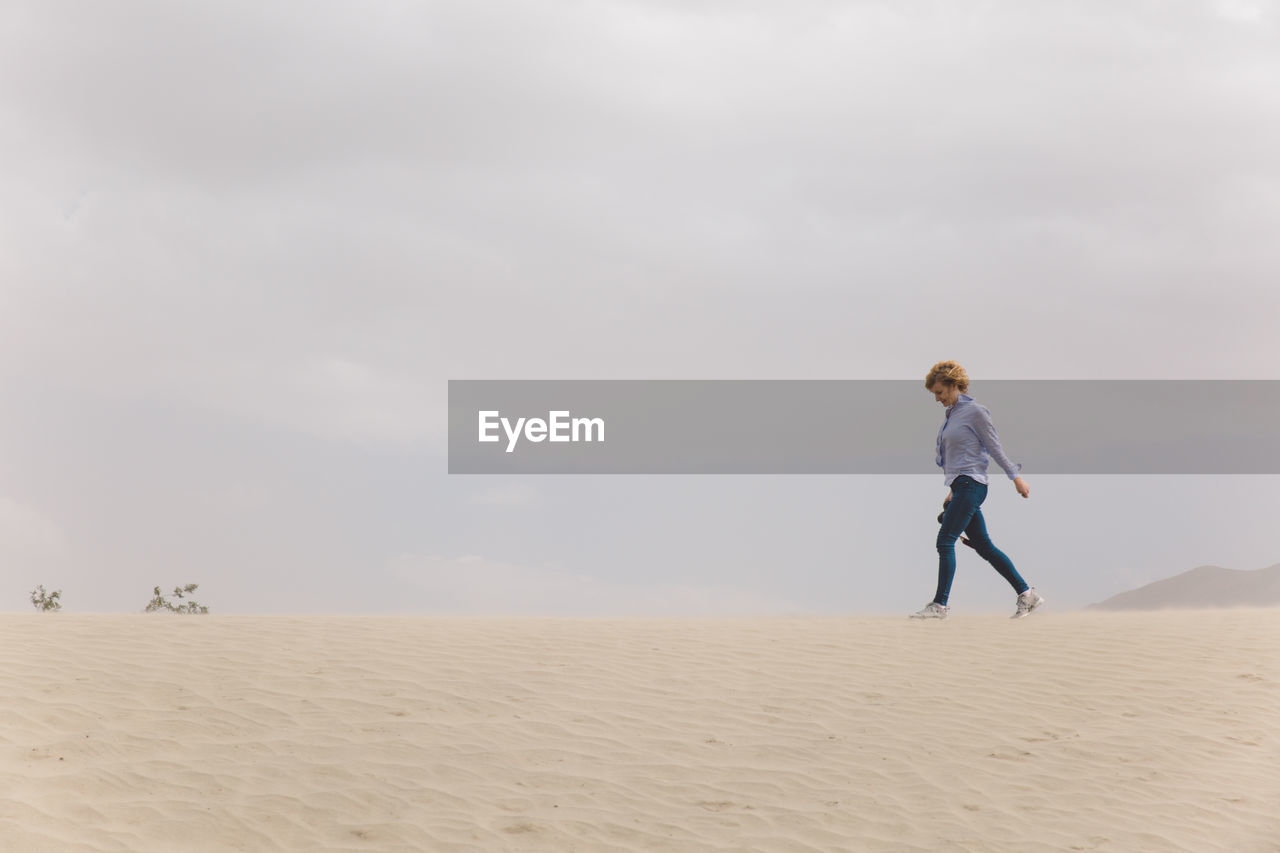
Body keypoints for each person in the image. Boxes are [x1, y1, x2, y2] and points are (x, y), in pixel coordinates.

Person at [910, 360, 1044, 620]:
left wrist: (1015, 478)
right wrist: (952, 492)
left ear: (953, 385)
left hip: (972, 485)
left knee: (945, 541)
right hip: (962, 486)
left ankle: (939, 606)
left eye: (939, 392)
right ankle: (1027, 594)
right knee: (983, 546)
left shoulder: (976, 413)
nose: (936, 399)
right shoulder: (952, 416)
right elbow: (959, 458)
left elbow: (994, 447)